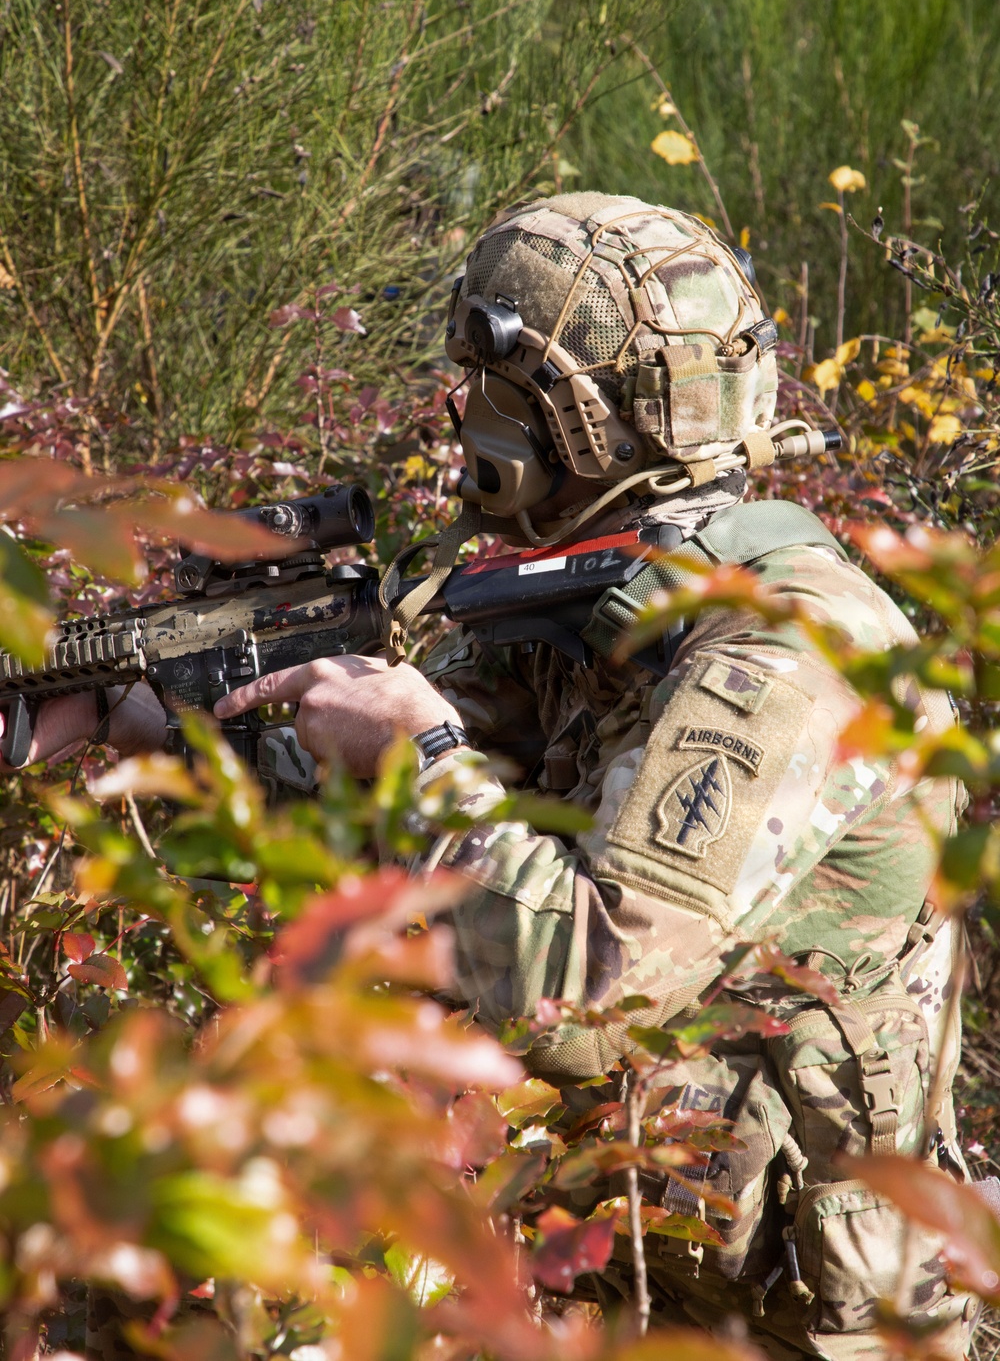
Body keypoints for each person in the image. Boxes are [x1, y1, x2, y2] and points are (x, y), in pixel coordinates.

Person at [3, 195, 976, 1360]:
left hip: (775, 1310)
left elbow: (587, 986)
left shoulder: (778, 652)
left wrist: (416, 754)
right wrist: (148, 711)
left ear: (573, 418)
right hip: (602, 1237)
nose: (457, 411)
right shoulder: (601, 587)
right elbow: (437, 820)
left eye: (488, 377)